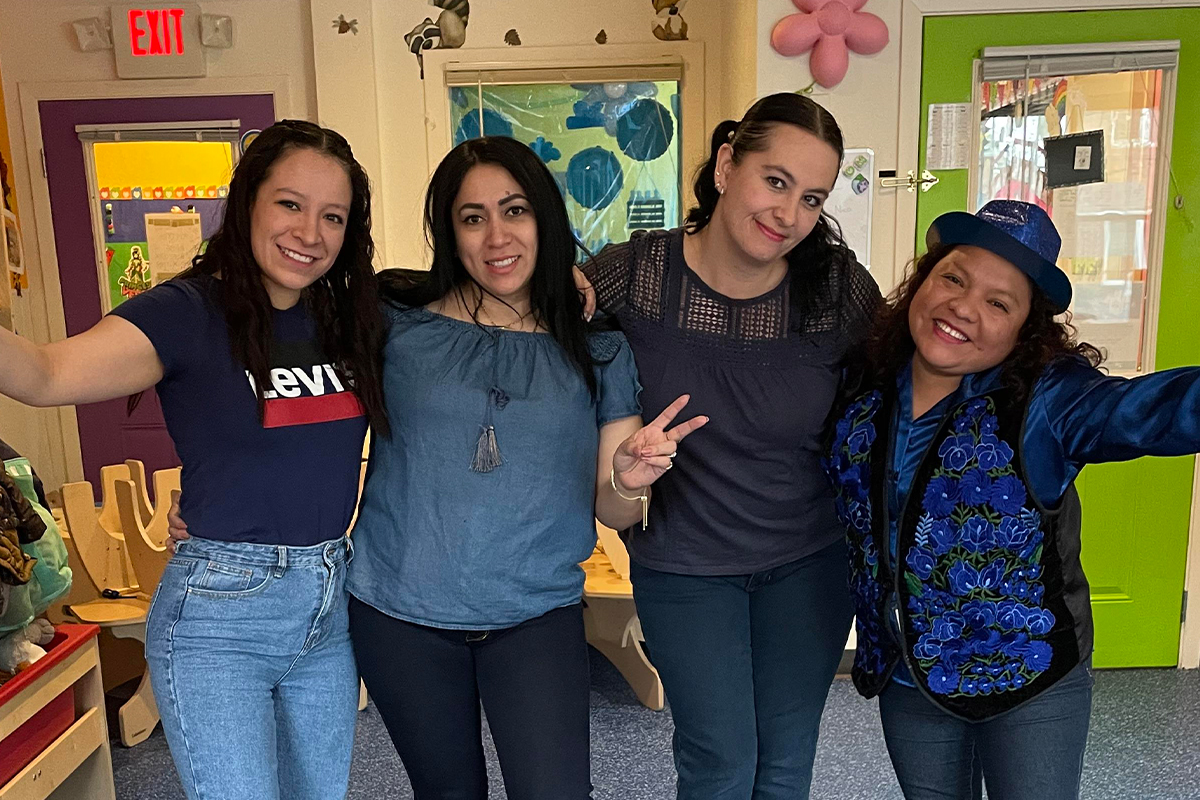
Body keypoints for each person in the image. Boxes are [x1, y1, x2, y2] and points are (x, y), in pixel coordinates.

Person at [0, 119, 388, 800]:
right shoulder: (187, 311)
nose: (310, 232)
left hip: (328, 608)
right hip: (219, 618)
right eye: (290, 204)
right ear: (248, 204)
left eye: (333, 215)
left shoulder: (349, 315)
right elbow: (44, 376)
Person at [349, 136, 703, 799]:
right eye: (472, 217)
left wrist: (629, 476)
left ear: (543, 217)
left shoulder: (596, 347)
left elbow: (615, 508)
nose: (495, 236)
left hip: (532, 617)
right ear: (449, 232)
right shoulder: (394, 323)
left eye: (514, 211)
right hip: (400, 614)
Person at [824, 199, 1200, 800]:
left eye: (998, 303)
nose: (962, 308)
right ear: (924, 279)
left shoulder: (1048, 403)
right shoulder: (864, 382)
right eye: (953, 277)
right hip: (910, 672)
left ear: (1026, 329)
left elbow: (1153, 410)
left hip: (1031, 680)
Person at [581, 93, 881, 799]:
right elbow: (527, 320)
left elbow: (910, 375)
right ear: (725, 165)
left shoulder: (836, 289)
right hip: (687, 567)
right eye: (774, 181)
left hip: (810, 563)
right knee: (719, 764)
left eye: (812, 198)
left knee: (783, 766)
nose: (788, 214)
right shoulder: (637, 275)